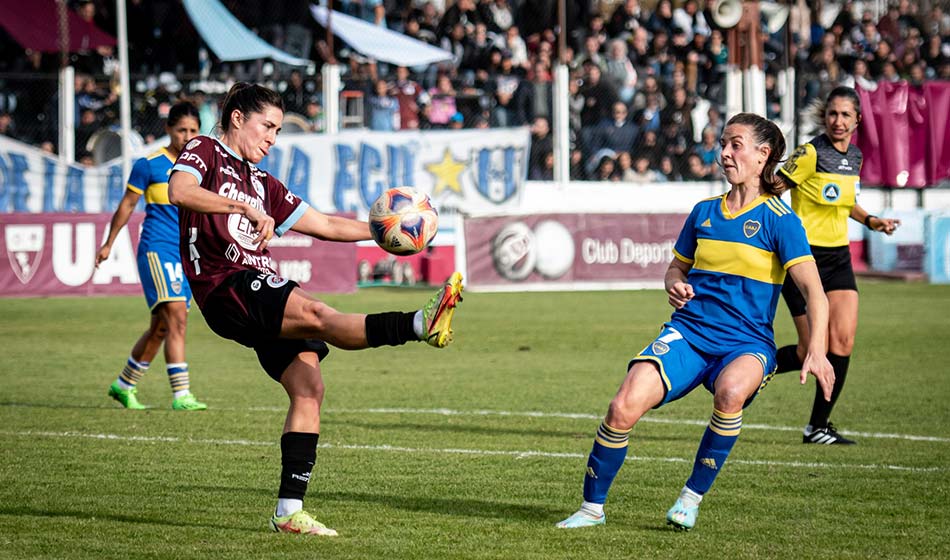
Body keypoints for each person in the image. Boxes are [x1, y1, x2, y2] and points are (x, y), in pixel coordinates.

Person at [166, 83, 464, 536]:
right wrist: (240, 205)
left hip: (249, 289)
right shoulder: (205, 149)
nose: (272, 138)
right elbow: (179, 190)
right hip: (225, 283)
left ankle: (288, 512)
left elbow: (323, 224)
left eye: (279, 131)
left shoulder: (263, 183)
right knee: (320, 315)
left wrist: (383, 229)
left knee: (308, 387)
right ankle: (420, 324)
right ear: (237, 118)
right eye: (266, 126)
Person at [556, 113, 834, 532]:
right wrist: (675, 285)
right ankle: (591, 509)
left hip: (746, 343)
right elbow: (675, 269)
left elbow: (815, 292)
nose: (724, 152)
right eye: (723, 143)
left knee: (730, 393)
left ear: (763, 156)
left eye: (735, 144)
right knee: (622, 406)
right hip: (689, 334)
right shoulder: (704, 212)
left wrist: (816, 350)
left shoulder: (781, 219)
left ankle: (689, 499)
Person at [774, 86, 900, 445]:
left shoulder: (855, 157)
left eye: (846, 115)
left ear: (857, 120)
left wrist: (872, 220)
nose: (838, 121)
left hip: (838, 258)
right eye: (832, 114)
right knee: (805, 351)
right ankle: (753, 368)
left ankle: (817, 426)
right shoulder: (810, 153)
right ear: (824, 117)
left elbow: (845, 203)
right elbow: (775, 188)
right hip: (802, 258)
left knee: (841, 341)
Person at [96, 102, 207, 411]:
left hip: (187, 254)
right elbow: (128, 205)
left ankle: (123, 385)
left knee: (161, 327)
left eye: (193, 131)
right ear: (168, 130)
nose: (187, 136)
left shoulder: (201, 169)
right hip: (158, 249)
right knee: (177, 318)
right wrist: (108, 244)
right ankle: (181, 394)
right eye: (181, 130)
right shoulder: (150, 164)